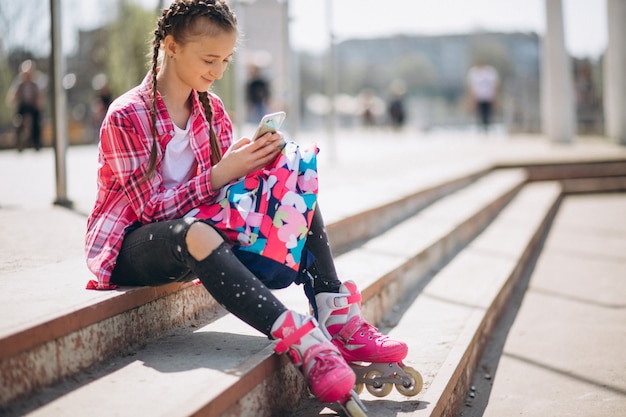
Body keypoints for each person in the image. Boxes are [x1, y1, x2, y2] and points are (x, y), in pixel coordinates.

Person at [84, 0, 408, 410]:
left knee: (292, 180)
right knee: (193, 232)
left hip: (198, 232)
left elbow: (215, 195)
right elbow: (150, 211)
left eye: (226, 60)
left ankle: (334, 312)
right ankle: (303, 341)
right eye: (209, 59)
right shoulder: (127, 115)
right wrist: (221, 173)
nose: (218, 71)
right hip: (132, 247)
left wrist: (250, 170)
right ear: (170, 45)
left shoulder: (211, 109)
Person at [6, 60, 43, 151]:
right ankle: (18, 143)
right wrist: (12, 100)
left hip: (32, 106)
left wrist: (38, 102)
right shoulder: (19, 83)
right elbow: (12, 94)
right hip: (22, 106)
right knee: (18, 121)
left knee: (36, 121)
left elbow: (40, 95)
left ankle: (36, 142)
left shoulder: (35, 83)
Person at [466, 61, 499, 133]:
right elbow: (471, 86)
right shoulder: (474, 72)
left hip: (488, 96)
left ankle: (487, 127)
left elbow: (494, 85)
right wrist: (471, 98)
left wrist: (495, 96)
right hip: (479, 96)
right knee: (480, 113)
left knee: (488, 113)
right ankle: (481, 127)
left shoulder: (490, 72)